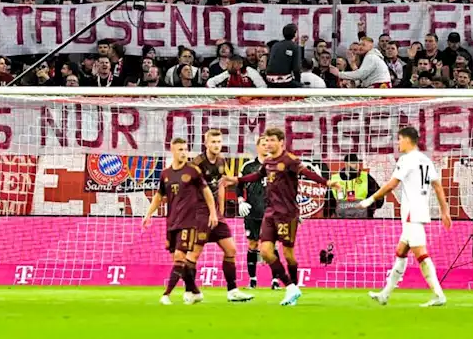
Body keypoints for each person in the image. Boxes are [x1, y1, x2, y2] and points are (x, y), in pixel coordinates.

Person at [225, 128, 341, 306]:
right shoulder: (269, 161)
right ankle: (290, 287)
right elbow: (257, 175)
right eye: (266, 140)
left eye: (271, 140)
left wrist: (327, 182)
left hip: (287, 214)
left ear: (281, 142)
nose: (268, 144)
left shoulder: (290, 160)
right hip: (269, 213)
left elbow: (306, 173)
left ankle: (293, 288)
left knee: (288, 255)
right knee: (265, 251)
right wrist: (237, 180)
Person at [356, 127, 452, 307]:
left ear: (408, 140)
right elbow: (438, 186)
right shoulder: (426, 160)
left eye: (399, 139)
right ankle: (385, 294)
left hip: (411, 214)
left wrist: (370, 200)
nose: (397, 143)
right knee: (401, 252)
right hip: (419, 211)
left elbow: (392, 184)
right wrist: (444, 211)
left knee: (421, 255)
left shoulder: (406, 160)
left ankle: (439, 295)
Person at [142, 139, 217, 305]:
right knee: (179, 262)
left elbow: (207, 192)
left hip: (189, 222)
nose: (184, 152)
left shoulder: (193, 170)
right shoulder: (166, 174)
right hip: (172, 222)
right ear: (172, 151)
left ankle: (166, 295)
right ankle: (195, 292)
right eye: (180, 149)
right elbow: (159, 196)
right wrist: (148, 214)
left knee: (179, 257)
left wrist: (213, 212)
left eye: (185, 149)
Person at [193, 130, 254, 302]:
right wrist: (211, 212)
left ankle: (232, 290)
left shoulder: (221, 161)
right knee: (194, 254)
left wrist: (220, 211)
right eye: (213, 142)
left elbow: (220, 185)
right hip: (200, 212)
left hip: (215, 214)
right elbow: (201, 190)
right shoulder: (197, 163)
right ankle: (190, 290)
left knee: (231, 250)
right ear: (206, 144)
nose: (217, 145)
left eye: (219, 141)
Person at [236, 139, 269, 288]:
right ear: (257, 147)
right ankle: (253, 280)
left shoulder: (277, 166)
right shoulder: (248, 166)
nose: (266, 146)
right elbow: (238, 184)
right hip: (252, 212)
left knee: (271, 246)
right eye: (263, 144)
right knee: (252, 244)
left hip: (271, 212)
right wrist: (240, 200)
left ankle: (275, 281)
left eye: (269, 143)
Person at [329, 154, 379, 218]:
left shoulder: (366, 177)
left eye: (357, 163)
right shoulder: (334, 179)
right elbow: (329, 203)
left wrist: (368, 210)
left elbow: (378, 196)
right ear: (346, 164)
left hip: (363, 220)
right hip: (341, 221)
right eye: (353, 163)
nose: (357, 166)